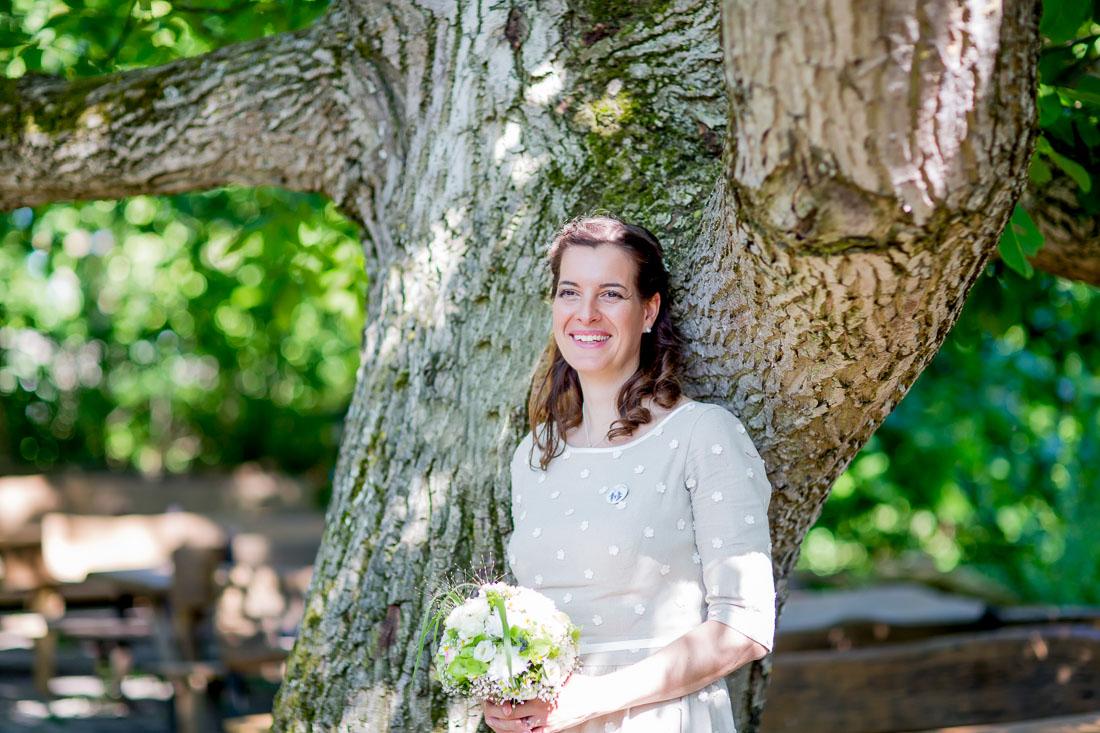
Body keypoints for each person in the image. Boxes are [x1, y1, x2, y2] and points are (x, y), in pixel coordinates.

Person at [483, 214, 776, 732]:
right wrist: (509, 693)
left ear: (648, 310)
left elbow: (744, 626)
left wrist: (593, 700)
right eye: (570, 292)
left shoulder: (702, 435)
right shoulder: (534, 454)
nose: (586, 313)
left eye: (612, 294)